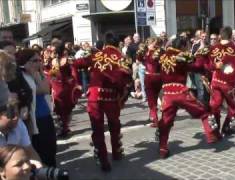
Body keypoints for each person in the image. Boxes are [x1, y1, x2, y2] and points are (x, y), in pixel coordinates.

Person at [72, 32, 132, 171]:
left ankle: (103, 160)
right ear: (118, 44)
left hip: (94, 97)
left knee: (97, 129)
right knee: (114, 125)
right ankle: (116, 153)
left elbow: (76, 64)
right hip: (111, 97)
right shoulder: (122, 58)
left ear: (104, 43)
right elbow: (126, 81)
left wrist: (77, 82)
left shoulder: (96, 55)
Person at [157, 35, 220, 159]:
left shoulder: (163, 56)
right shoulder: (181, 56)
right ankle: (211, 135)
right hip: (180, 92)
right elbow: (196, 67)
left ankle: (163, 148)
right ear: (182, 46)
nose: (187, 48)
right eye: (186, 46)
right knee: (203, 111)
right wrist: (201, 54)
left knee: (166, 121)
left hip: (167, 94)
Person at [49, 39, 79, 137]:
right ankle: (64, 127)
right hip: (65, 86)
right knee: (66, 108)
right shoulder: (67, 60)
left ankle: (62, 127)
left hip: (57, 86)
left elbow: (52, 75)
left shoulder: (53, 60)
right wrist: (75, 83)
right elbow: (73, 72)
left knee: (60, 108)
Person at [136, 37, 162, 127]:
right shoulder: (159, 52)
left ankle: (155, 119)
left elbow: (138, 61)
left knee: (151, 99)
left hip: (149, 77)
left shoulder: (146, 52)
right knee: (154, 98)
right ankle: (152, 114)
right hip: (159, 77)